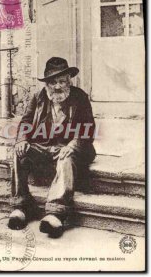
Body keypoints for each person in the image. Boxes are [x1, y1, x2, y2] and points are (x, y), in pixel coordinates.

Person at [8, 57, 96, 238]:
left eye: (62, 81)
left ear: (69, 81)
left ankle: (55, 212)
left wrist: (73, 144)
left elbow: (89, 127)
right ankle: (22, 205)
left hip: (69, 148)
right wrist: (22, 139)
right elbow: (26, 121)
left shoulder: (80, 97)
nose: (58, 86)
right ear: (47, 83)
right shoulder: (38, 97)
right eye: (53, 82)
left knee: (66, 156)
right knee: (17, 152)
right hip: (44, 146)